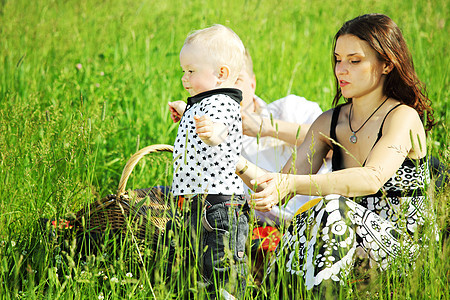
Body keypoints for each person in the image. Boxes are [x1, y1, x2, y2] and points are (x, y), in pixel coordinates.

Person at [235, 14, 436, 295]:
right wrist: (228, 155)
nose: (341, 70)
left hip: (404, 248)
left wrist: (291, 184)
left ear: (387, 64)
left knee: (329, 206)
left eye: (354, 61)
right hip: (346, 244)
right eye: (338, 60)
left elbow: (372, 178)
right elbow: (279, 184)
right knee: (311, 215)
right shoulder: (330, 122)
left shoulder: (402, 117)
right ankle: (271, 294)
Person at [170, 50, 331, 227]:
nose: (227, 89)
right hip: (281, 226)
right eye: (219, 83)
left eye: (236, 80)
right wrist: (195, 123)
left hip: (327, 210)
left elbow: (336, 145)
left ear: (252, 83)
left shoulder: (290, 108)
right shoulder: (213, 140)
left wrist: (266, 127)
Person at [165, 24, 249, 298]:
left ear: (221, 73)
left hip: (220, 206)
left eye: (190, 71)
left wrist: (215, 133)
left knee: (221, 269)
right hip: (201, 203)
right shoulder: (204, 102)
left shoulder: (222, 102)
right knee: (198, 269)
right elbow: (202, 116)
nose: (184, 77)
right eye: (183, 71)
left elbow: (223, 126)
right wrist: (184, 110)